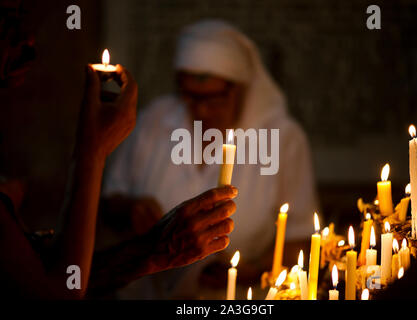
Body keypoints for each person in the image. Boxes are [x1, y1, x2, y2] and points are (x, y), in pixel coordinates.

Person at [0, 1, 237, 299]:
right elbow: (57, 292)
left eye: (213, 97)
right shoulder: (155, 123)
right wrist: (91, 151)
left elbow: (49, 275)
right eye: (8, 22)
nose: (29, 42)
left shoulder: (276, 134)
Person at [103, 19, 319, 299]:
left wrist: (250, 270)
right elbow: (108, 203)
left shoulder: (283, 139)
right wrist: (131, 210)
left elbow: (301, 238)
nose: (202, 110)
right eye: (191, 97)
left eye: (214, 98)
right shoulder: (153, 123)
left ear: (240, 89)